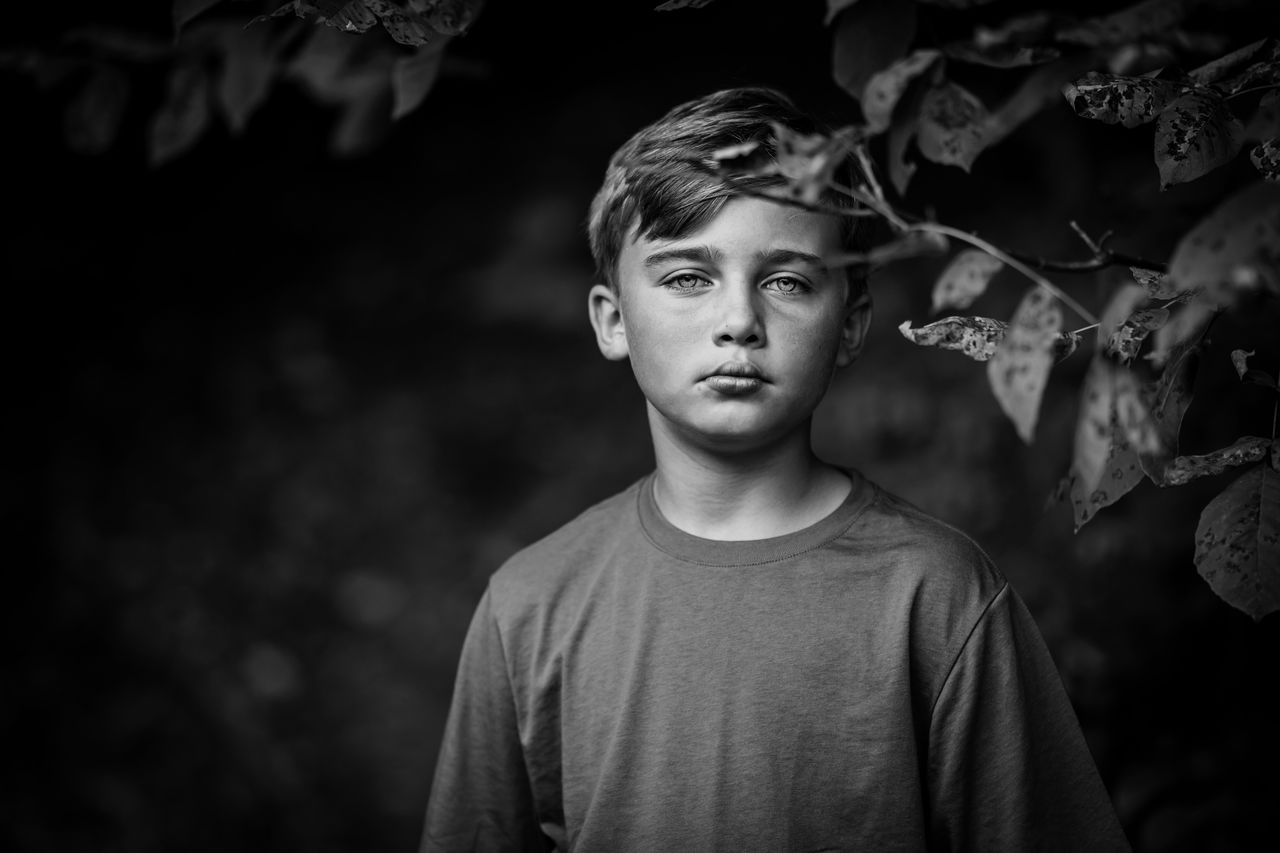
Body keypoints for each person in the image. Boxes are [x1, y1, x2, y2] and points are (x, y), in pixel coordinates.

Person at [419, 86, 1132, 852]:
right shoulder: (529, 605)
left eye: (786, 280)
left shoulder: (937, 595)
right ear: (614, 319)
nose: (738, 322)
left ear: (851, 322)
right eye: (688, 276)